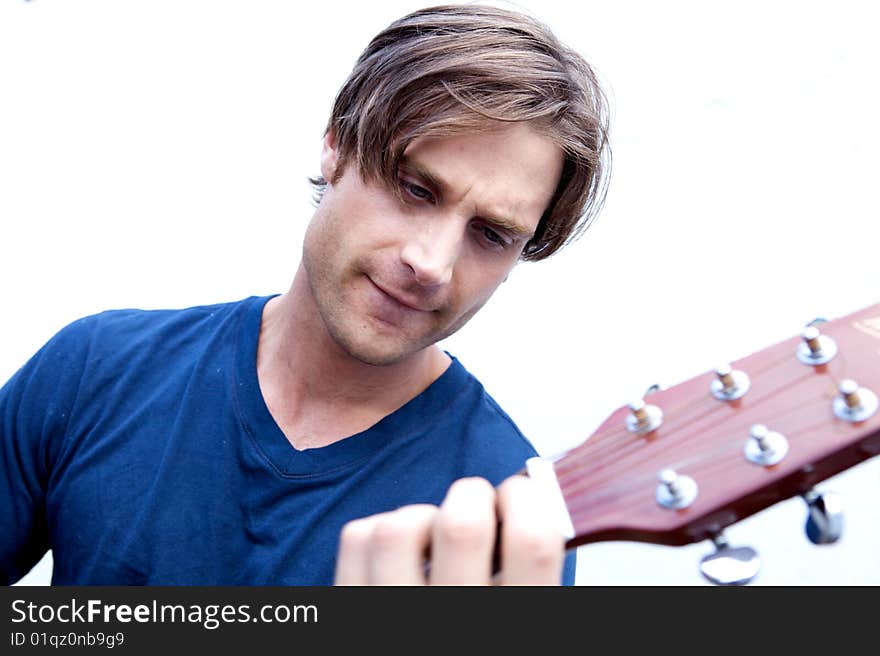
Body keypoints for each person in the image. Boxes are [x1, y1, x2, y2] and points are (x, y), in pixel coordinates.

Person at [0, 3, 610, 586]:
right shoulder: (96, 370)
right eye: (416, 189)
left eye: (491, 234)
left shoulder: (506, 522)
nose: (432, 263)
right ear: (337, 143)